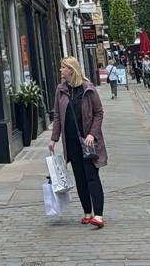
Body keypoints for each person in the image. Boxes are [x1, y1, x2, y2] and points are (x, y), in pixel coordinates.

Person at [49, 56, 107, 230]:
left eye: (63, 67)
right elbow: (57, 116)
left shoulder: (88, 88)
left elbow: (99, 113)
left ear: (71, 70)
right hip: (71, 142)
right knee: (80, 177)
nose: (60, 70)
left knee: (91, 176)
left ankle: (98, 215)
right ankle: (87, 212)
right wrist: (54, 139)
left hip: (88, 142)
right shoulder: (61, 90)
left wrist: (92, 134)